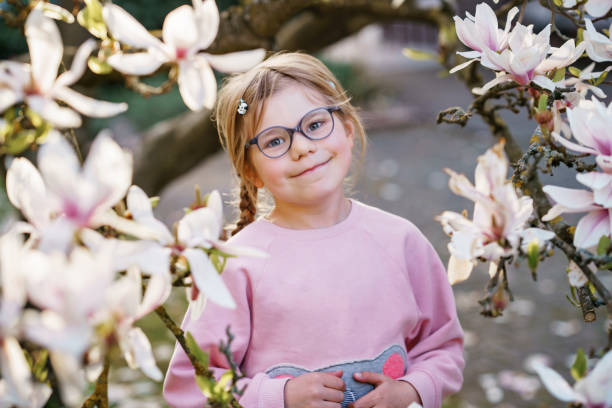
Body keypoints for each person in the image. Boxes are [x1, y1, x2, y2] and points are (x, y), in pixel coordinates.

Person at [163, 52, 464, 408]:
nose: (303, 147)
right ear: (251, 171)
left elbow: (443, 347)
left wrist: (412, 390)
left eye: (316, 125)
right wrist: (278, 396)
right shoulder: (235, 265)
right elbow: (191, 383)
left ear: (348, 129)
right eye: (275, 141)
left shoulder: (402, 242)